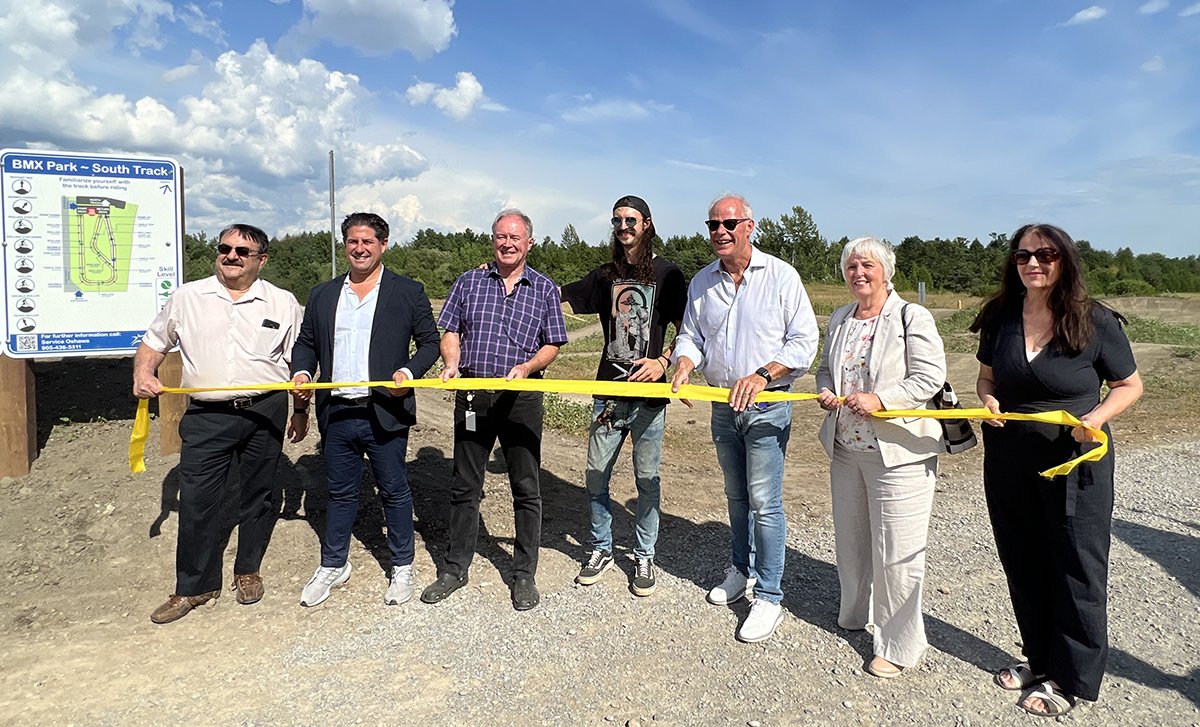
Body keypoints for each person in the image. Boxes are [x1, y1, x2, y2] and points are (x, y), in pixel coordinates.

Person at [971, 223, 1142, 717]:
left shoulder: (1094, 320)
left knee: (1076, 568)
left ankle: (1071, 679)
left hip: (1075, 461)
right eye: (1023, 256)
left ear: (1064, 260)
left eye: (1045, 255)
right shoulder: (1001, 316)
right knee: (1022, 561)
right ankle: (1039, 659)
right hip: (1008, 458)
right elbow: (986, 377)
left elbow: (1129, 385)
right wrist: (987, 400)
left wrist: (1096, 418)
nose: (1033, 264)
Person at [133, 223, 306, 624]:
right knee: (197, 501)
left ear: (261, 260)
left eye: (242, 252)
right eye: (225, 248)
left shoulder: (282, 302)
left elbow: (299, 361)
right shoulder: (188, 297)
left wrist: (301, 409)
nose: (231, 256)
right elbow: (153, 343)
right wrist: (143, 374)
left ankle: (247, 569)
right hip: (207, 415)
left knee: (260, 495)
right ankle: (194, 587)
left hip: (265, 410)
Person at [670, 194, 819, 642]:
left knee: (765, 503)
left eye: (729, 223)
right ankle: (742, 569)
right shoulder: (702, 282)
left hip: (768, 404)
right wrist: (683, 362)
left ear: (749, 226)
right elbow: (692, 336)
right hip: (721, 404)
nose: (720, 231)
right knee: (736, 497)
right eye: (713, 224)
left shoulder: (781, 276)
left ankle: (770, 597)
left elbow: (804, 343)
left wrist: (762, 374)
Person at [421, 208, 568, 611]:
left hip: (521, 401)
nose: (507, 243)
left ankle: (523, 574)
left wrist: (528, 367)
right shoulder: (469, 281)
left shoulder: (544, 289)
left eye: (515, 238)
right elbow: (450, 330)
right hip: (472, 397)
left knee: (526, 486)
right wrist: (451, 363)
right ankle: (454, 568)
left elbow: (553, 344)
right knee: (465, 483)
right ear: (493, 240)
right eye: (501, 236)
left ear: (529, 243)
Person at [290, 212, 440, 608]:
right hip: (337, 412)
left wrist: (409, 371)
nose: (359, 249)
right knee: (340, 492)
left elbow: (429, 343)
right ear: (346, 245)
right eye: (353, 242)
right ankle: (334, 564)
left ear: (383, 245)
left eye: (368, 242)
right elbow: (306, 343)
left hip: (384, 411)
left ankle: (402, 565)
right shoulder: (323, 294)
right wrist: (303, 370)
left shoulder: (407, 291)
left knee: (393, 489)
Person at [814, 236, 946, 677]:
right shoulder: (839, 318)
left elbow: (930, 377)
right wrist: (826, 391)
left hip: (900, 455)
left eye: (867, 265)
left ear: (886, 271)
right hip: (846, 450)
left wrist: (882, 400)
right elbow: (826, 369)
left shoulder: (912, 316)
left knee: (897, 553)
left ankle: (900, 645)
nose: (859, 273)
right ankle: (855, 613)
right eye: (851, 266)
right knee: (852, 543)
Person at [561, 195, 687, 596]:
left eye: (630, 219)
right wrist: (502, 271)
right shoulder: (605, 275)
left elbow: (689, 330)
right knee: (596, 476)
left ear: (646, 224)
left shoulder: (668, 274)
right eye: (617, 220)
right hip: (609, 396)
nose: (623, 226)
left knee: (647, 480)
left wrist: (663, 361)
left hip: (649, 399)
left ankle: (644, 554)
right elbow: (557, 293)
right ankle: (601, 548)